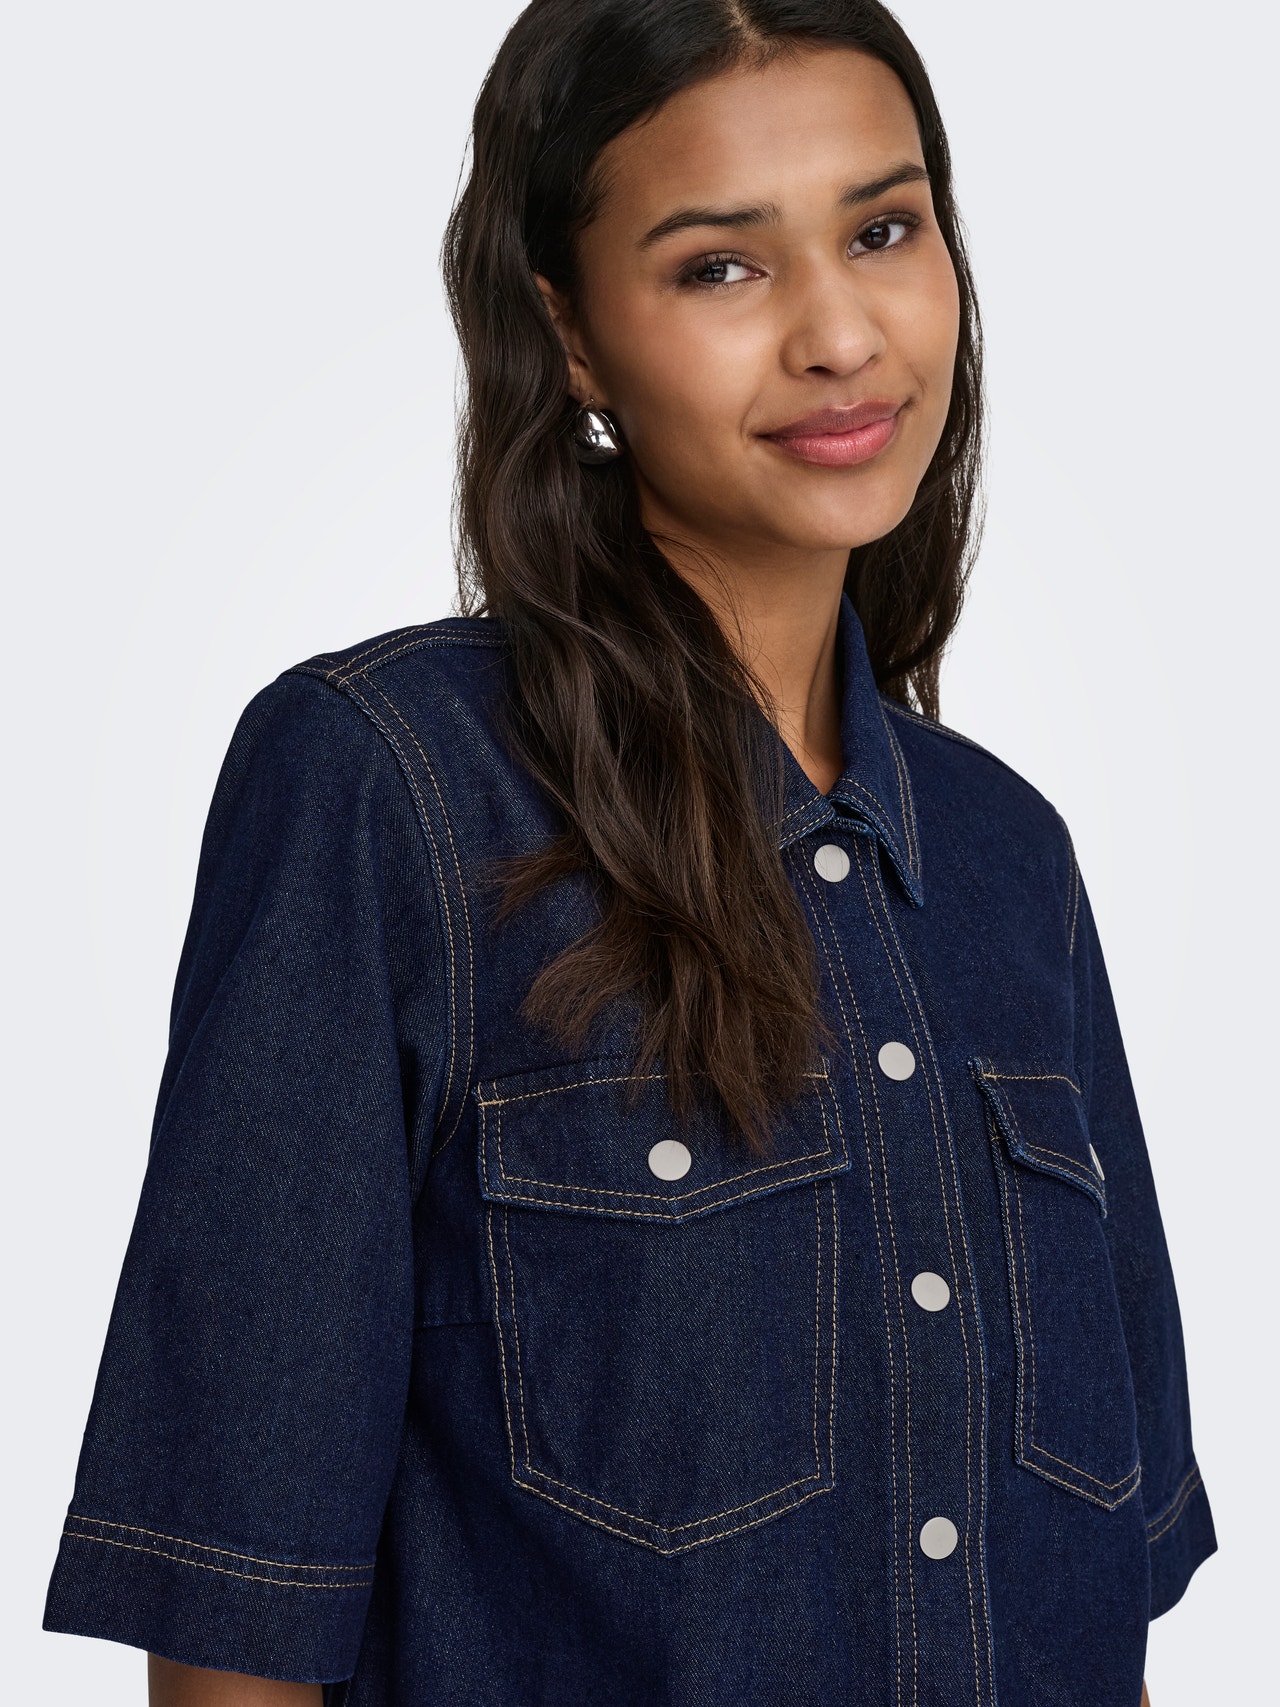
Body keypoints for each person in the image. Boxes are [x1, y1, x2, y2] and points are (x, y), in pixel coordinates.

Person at [42, 2, 1215, 1702]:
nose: (839, 335)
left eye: (884, 232)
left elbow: (1108, 1604)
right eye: (720, 268)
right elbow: (236, 1621)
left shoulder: (1008, 857)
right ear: (571, 337)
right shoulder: (389, 787)